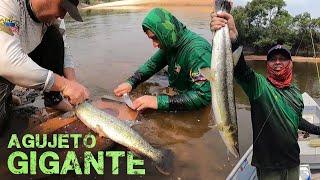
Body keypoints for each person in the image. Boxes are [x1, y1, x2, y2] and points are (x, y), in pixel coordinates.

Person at [211, 10, 320, 180]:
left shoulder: (296, 94)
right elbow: (242, 71)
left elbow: (296, 120)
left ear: (290, 63)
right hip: (269, 168)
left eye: (282, 58)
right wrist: (233, 39)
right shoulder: (259, 86)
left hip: (293, 162)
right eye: (273, 59)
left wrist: (317, 130)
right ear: (267, 63)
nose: (277, 62)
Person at [0, 0, 90, 131]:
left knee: (55, 35)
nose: (62, 16)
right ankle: (7, 93)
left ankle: (53, 99)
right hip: (4, 60)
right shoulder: (8, 3)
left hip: (17, 56)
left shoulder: (54, 18)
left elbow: (64, 49)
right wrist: (64, 85)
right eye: (63, 8)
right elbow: (6, 60)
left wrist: (72, 82)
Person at [114, 8, 212, 111]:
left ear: (166, 31)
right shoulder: (171, 42)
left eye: (156, 38)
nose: (154, 45)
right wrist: (131, 82)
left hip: (190, 96)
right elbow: (152, 65)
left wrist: (157, 102)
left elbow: (203, 97)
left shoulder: (197, 51)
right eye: (151, 39)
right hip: (177, 88)